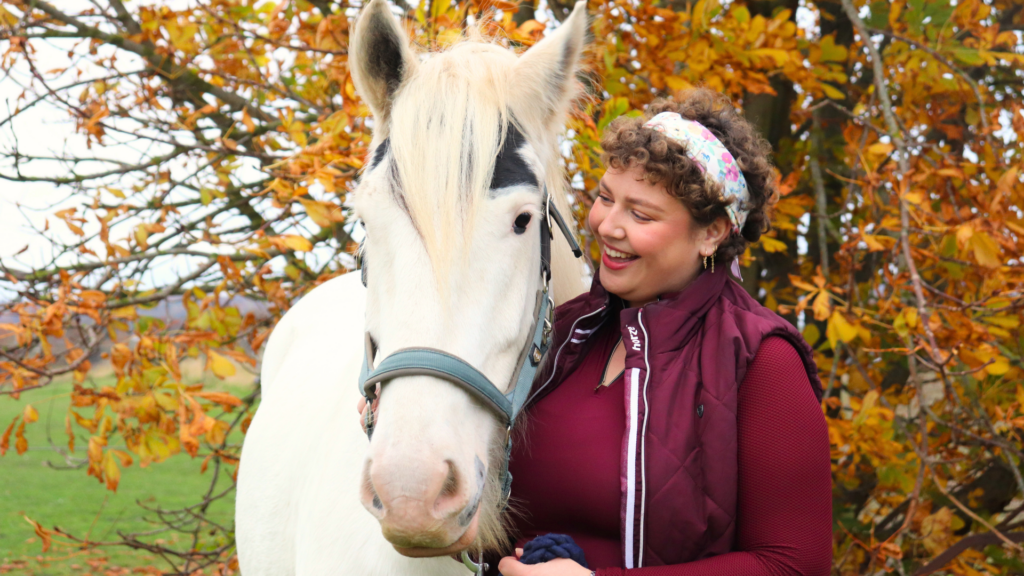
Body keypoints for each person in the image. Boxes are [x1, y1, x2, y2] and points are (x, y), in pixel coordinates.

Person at [362, 88, 833, 576]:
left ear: (711, 232)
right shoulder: (561, 337)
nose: (608, 226)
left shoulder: (762, 360)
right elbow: (482, 526)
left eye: (641, 214)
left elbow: (795, 564)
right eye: (605, 198)